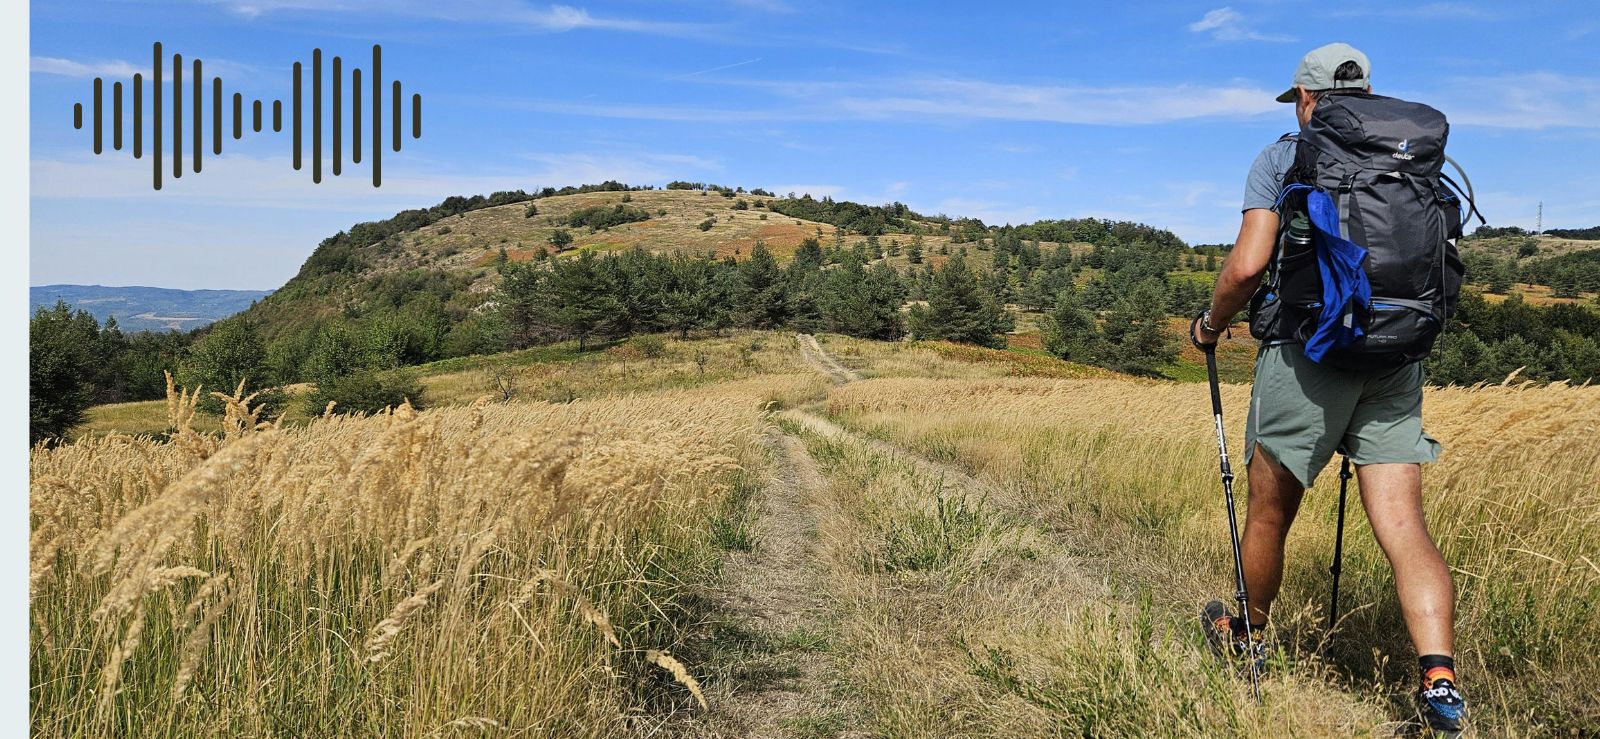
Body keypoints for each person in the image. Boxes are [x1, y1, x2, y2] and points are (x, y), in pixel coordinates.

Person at [1191, 43, 1466, 735]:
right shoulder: (1412, 153)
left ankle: (1246, 636)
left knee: (1268, 514)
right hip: (1396, 355)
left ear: (1307, 97)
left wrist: (1210, 322)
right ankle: (1440, 683)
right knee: (1405, 528)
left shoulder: (1286, 156)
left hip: (1306, 355)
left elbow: (1250, 262)